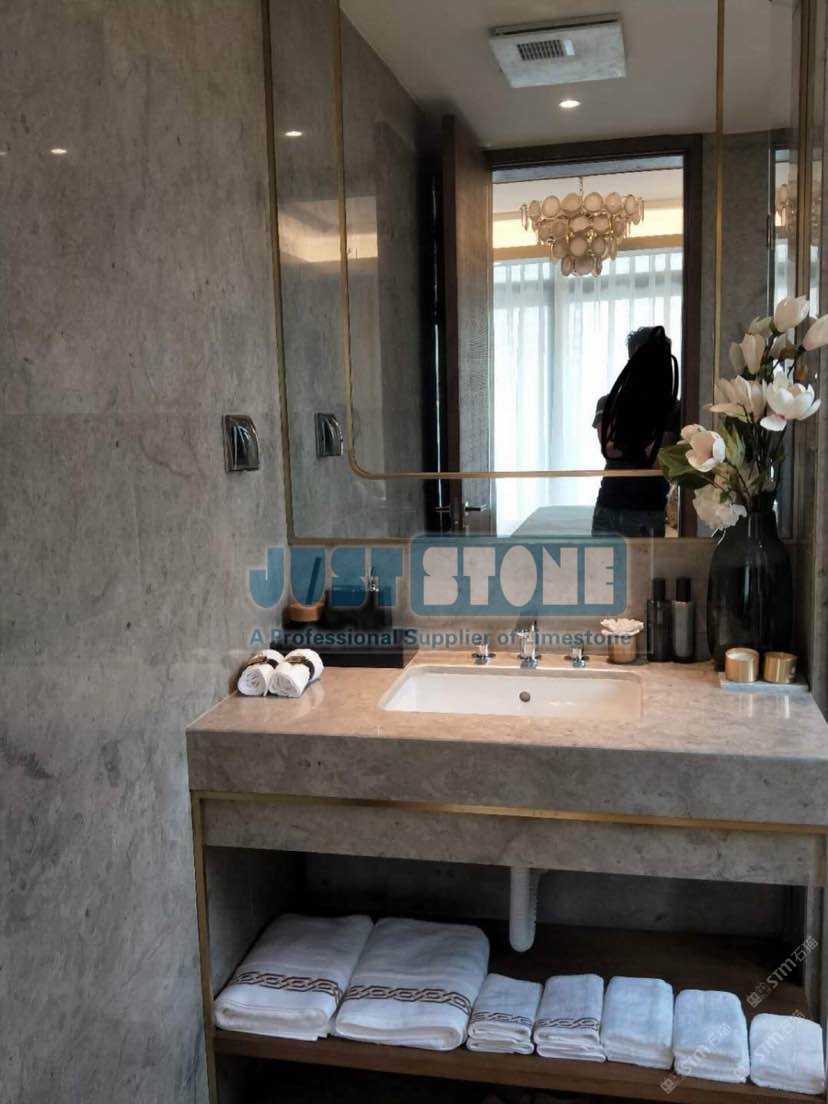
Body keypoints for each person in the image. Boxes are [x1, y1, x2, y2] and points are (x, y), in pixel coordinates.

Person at [591, 326, 680, 537]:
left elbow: (658, 456)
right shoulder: (607, 402)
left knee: (645, 562)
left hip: (648, 507)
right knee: (600, 560)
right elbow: (610, 450)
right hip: (609, 503)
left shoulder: (673, 408)